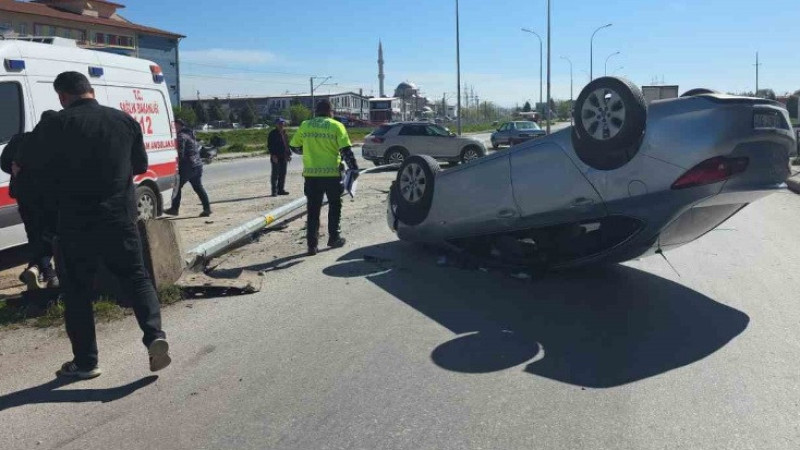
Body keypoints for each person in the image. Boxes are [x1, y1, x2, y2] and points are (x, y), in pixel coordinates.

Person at [23, 71, 171, 379]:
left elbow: (35, 171)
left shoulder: (57, 125)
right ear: (90, 90)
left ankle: (86, 362)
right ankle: (154, 334)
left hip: (75, 222)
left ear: (62, 96)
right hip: (119, 216)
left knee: (77, 291)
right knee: (136, 278)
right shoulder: (124, 121)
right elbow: (140, 166)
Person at [289, 100, 359, 256]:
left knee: (313, 210)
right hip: (332, 175)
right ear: (330, 111)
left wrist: (307, 151)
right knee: (335, 205)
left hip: (311, 176)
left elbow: (293, 146)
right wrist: (354, 168)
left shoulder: (305, 125)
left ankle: (311, 245)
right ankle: (334, 237)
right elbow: (346, 150)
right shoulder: (336, 126)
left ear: (316, 111)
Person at [0, 111, 60, 290]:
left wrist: (17, 172)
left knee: (34, 234)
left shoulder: (20, 139)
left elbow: (4, 163)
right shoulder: (52, 143)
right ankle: (47, 273)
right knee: (50, 234)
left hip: (24, 197)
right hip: (49, 198)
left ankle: (34, 268)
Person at [163, 119, 211, 217]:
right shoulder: (190, 134)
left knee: (176, 186)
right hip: (197, 165)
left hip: (188, 166)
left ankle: (174, 209)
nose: (172, 127)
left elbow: (180, 153)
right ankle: (207, 209)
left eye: (174, 125)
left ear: (179, 126)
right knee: (198, 187)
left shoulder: (181, 136)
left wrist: (174, 163)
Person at [267, 118, 292, 197]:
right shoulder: (272, 133)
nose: (281, 125)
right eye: (279, 123)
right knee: (275, 174)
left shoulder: (285, 133)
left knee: (283, 174)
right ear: (276, 124)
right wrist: (273, 155)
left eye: (282, 123)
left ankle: (281, 190)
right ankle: (274, 191)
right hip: (276, 156)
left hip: (284, 156)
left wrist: (288, 155)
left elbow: (287, 145)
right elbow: (270, 146)